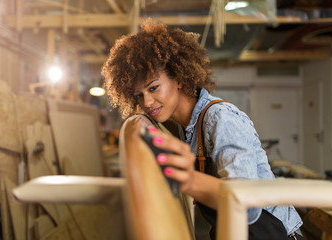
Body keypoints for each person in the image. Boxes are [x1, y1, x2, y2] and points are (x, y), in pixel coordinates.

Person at [101, 19, 303, 240]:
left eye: (153, 88)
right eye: (139, 95)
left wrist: (188, 180)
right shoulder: (184, 126)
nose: (147, 102)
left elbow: (246, 207)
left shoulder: (220, 118)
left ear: (178, 78)